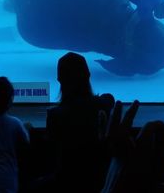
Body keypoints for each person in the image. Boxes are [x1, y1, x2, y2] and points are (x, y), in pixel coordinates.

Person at [42, 52, 113, 193]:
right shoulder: (102, 106)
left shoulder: (55, 115)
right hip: (97, 182)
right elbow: (109, 98)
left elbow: (50, 154)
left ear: (59, 79)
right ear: (88, 75)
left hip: (66, 182)